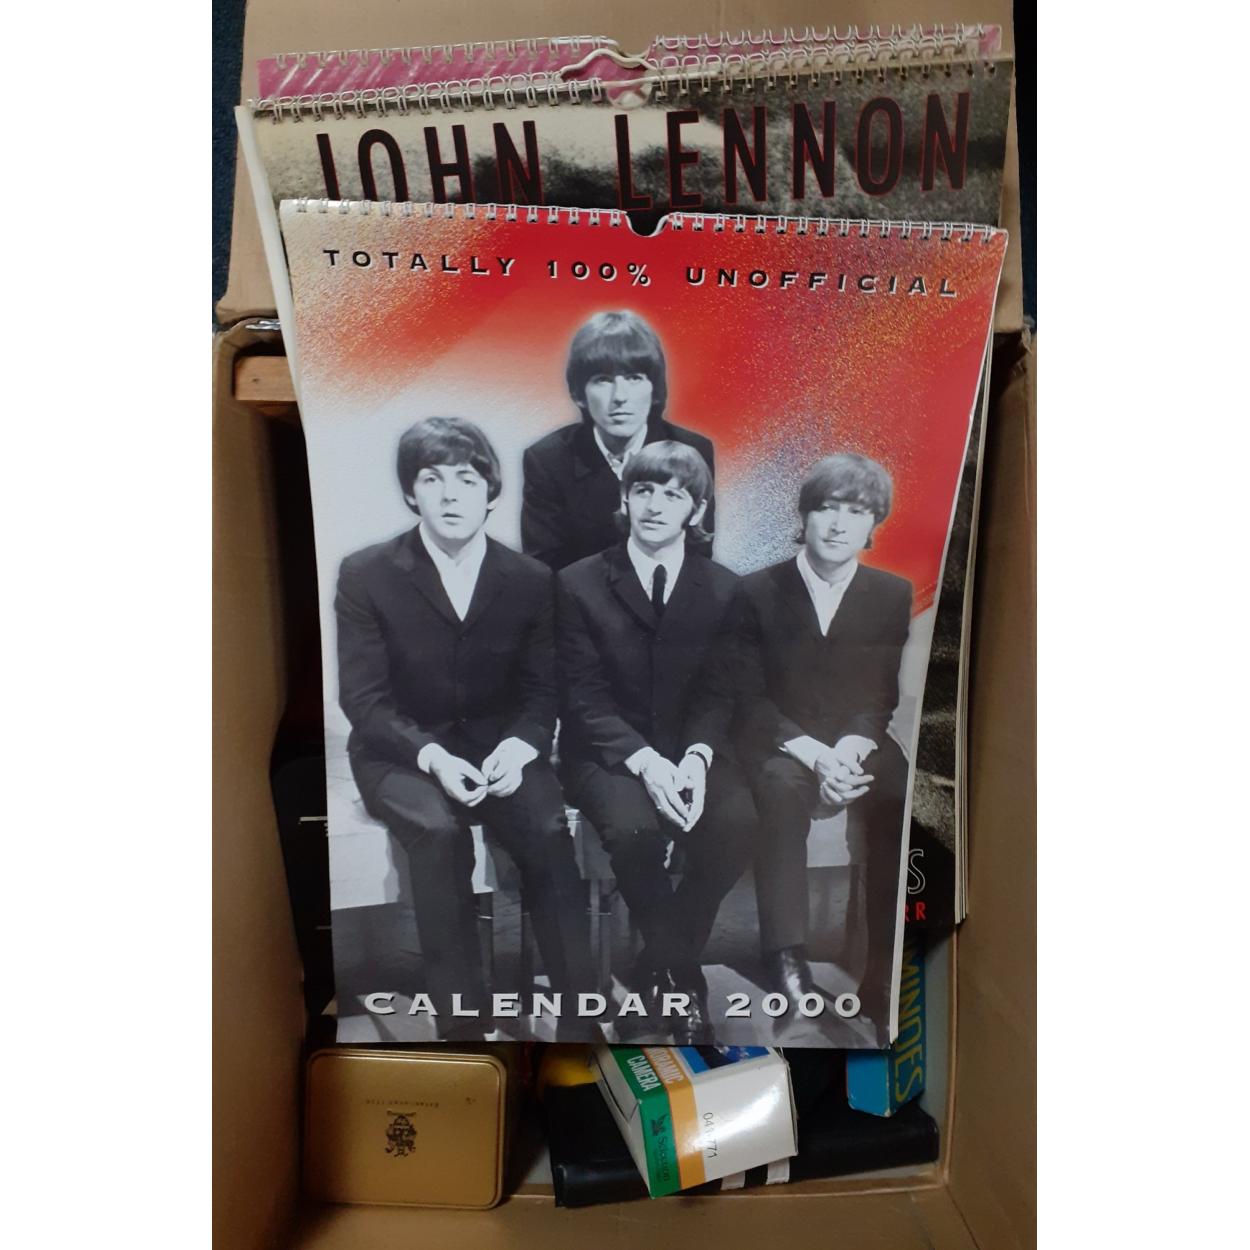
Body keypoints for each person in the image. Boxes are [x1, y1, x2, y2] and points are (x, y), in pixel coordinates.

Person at [334, 417, 594, 1040]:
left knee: (548, 830)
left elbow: (543, 691)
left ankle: (581, 1015)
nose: (451, 494)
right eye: (432, 479)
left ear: (491, 493)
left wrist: (521, 745)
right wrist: (433, 758)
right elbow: (365, 700)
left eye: (467, 479)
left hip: (500, 749)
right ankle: (464, 1024)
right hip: (400, 754)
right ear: (410, 492)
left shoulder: (531, 579)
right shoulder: (366, 573)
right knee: (438, 831)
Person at [555, 440, 755, 1044]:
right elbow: (582, 697)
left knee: (737, 824)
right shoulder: (578, 583)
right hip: (607, 754)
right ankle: (683, 980)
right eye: (643, 490)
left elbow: (719, 692)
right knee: (635, 833)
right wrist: (645, 762)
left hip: (691, 751)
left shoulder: (724, 588)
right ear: (625, 497)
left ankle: (652, 973)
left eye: (674, 494)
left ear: (697, 510)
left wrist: (695, 758)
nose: (655, 505)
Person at [737, 453, 913, 1027]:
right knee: (780, 792)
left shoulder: (890, 594)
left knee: (898, 791)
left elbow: (879, 694)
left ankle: (882, 965)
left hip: (853, 744)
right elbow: (749, 700)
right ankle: (787, 960)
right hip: (783, 743)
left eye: (856, 511)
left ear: (873, 524)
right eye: (827, 508)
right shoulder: (756, 591)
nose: (839, 524)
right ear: (805, 516)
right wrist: (815, 757)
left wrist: (851, 752)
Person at [521, 310, 715, 571]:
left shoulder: (692, 450)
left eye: (634, 378)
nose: (620, 397)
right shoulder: (548, 460)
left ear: (654, 388)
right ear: (580, 393)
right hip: (578, 596)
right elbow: (545, 568)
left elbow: (697, 556)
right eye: (603, 380)